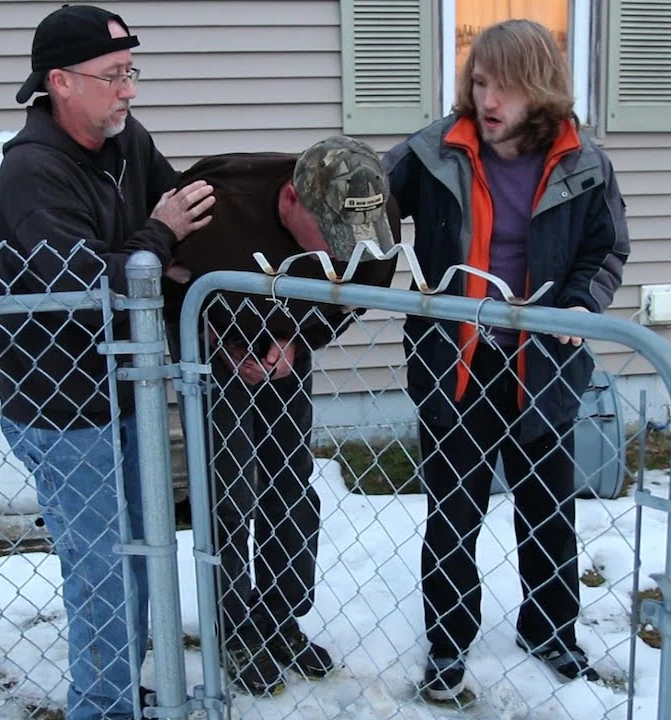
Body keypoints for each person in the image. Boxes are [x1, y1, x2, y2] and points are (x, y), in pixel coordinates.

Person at [382, 19, 631, 701]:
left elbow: (607, 246)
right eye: (480, 82)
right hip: (455, 364)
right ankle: (447, 643)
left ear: (540, 89)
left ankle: (550, 630)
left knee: (548, 509)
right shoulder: (435, 150)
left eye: (507, 88)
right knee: (452, 514)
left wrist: (580, 303)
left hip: (542, 364)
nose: (488, 100)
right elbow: (367, 201)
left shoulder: (583, 163)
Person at [0, 5, 215, 719]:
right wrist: (155, 243)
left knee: (142, 554)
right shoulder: (32, 171)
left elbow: (182, 221)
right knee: (102, 575)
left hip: (128, 390)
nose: (129, 90)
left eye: (130, 72)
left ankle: (122, 692)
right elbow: (82, 283)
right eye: (113, 75)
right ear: (60, 82)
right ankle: (104, 707)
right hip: (62, 410)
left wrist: (165, 250)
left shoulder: (126, 141)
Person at [162, 136, 402, 696]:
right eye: (331, 239)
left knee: (289, 481)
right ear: (292, 200)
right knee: (227, 486)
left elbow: (361, 290)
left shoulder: (370, 209)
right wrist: (218, 343)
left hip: (288, 346)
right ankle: (233, 626)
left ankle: (279, 617)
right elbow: (160, 283)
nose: (343, 253)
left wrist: (301, 339)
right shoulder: (214, 205)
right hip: (213, 354)